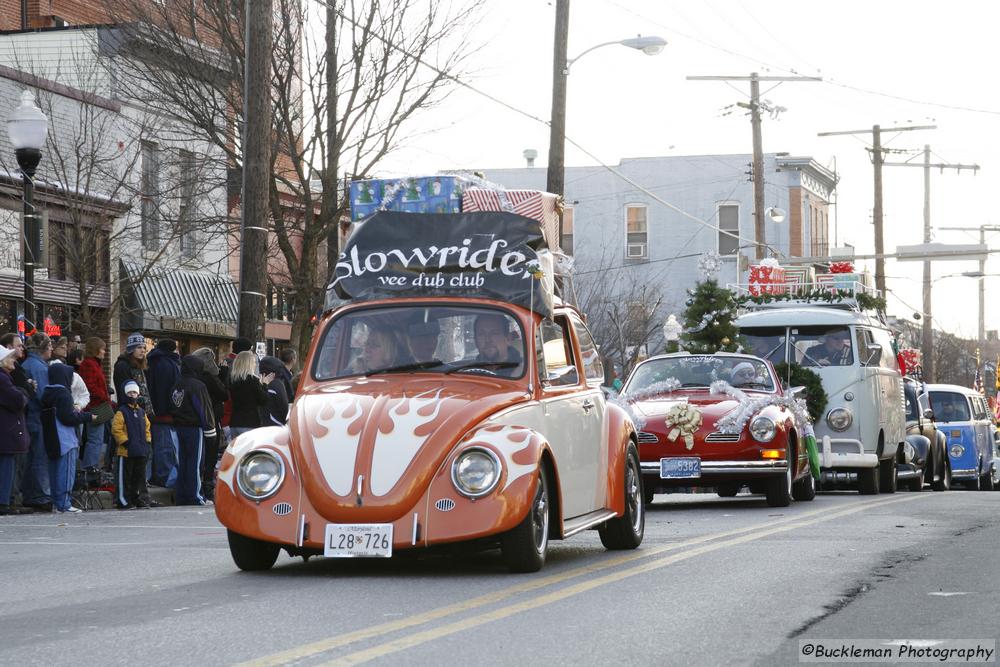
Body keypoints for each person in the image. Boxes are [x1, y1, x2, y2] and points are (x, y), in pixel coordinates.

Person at [40, 363, 95, 513]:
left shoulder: (46, 392)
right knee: (66, 473)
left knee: (54, 472)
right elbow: (68, 418)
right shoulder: (63, 394)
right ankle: (64, 503)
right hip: (65, 439)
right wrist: (88, 416)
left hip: (51, 438)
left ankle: (56, 502)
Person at [169, 355, 217, 506]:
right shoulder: (198, 385)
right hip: (194, 428)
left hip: (178, 427)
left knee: (182, 462)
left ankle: (181, 495)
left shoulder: (176, 384)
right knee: (195, 463)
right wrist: (210, 430)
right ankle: (195, 495)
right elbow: (203, 409)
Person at [21, 333, 52, 512]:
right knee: (39, 458)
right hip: (38, 418)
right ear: (43, 348)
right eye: (49, 346)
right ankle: (40, 495)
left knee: (30, 458)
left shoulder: (27, 364)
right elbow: (43, 394)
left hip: (29, 418)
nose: (51, 349)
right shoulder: (39, 368)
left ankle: (30, 494)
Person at [110, 381, 153, 509]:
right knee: (125, 477)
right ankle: (123, 499)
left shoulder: (141, 412)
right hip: (126, 451)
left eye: (134, 392)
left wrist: (148, 441)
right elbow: (116, 429)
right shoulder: (121, 412)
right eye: (129, 393)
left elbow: (147, 427)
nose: (132, 395)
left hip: (140, 450)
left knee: (138, 477)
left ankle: (135, 497)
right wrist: (124, 441)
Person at [192, 347, 228, 499]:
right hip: (211, 418)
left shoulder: (195, 377)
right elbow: (224, 394)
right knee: (211, 454)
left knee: (202, 454)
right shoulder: (210, 378)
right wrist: (224, 375)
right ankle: (207, 485)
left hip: (199, 418)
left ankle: (202, 483)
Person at [0, 346, 32, 515]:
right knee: (6, 467)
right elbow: (17, 399)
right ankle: (3, 501)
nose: (14, 360)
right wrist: (24, 392)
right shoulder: (3, 378)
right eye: (10, 358)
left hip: (6, 428)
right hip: (6, 429)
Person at [146, 338, 181, 488]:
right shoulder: (169, 365)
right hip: (165, 414)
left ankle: (157, 476)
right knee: (166, 448)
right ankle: (164, 477)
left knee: (158, 447)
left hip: (155, 413)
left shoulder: (152, 363)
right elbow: (172, 391)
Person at [78, 338, 111, 470]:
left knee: (98, 439)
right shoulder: (89, 364)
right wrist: (104, 396)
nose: (105, 352)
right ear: (96, 349)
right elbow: (90, 386)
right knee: (95, 439)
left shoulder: (95, 364)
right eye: (102, 349)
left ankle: (93, 467)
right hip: (95, 406)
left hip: (99, 405)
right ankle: (90, 468)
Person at [228, 351, 272, 440]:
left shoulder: (232, 379)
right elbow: (263, 400)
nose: (255, 364)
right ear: (248, 364)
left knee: (236, 452)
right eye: (253, 362)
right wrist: (264, 385)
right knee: (248, 452)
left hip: (234, 422)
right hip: (250, 423)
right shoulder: (253, 380)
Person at [259, 356, 290, 426]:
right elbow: (283, 405)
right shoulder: (277, 384)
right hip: (276, 424)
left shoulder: (261, 384)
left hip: (264, 424)